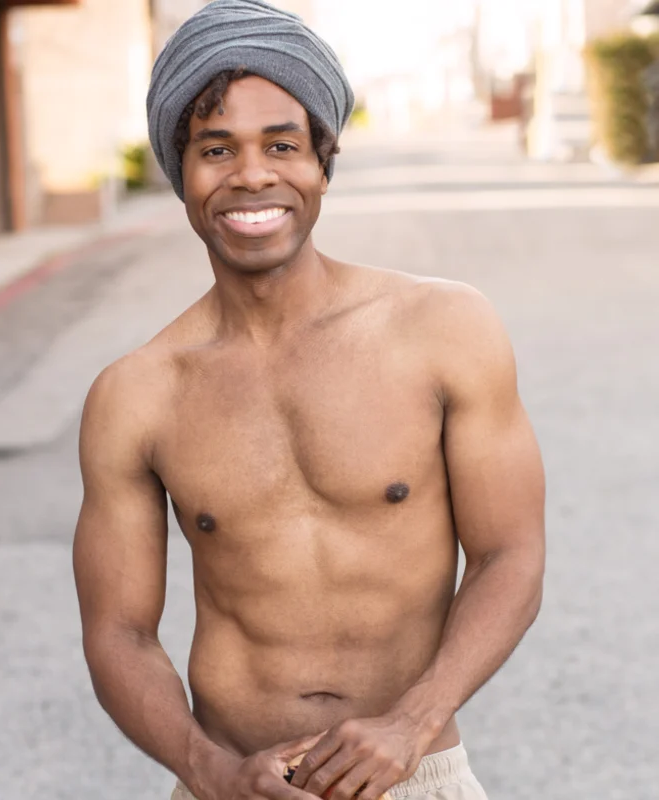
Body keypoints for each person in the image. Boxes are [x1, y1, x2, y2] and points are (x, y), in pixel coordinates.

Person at [72, 2, 546, 800]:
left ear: (323, 164)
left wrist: (413, 722)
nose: (251, 175)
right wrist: (209, 770)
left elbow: (511, 555)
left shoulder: (442, 329)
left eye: (282, 145)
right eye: (215, 149)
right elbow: (118, 633)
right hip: (231, 782)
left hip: (414, 770)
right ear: (182, 174)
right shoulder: (137, 395)